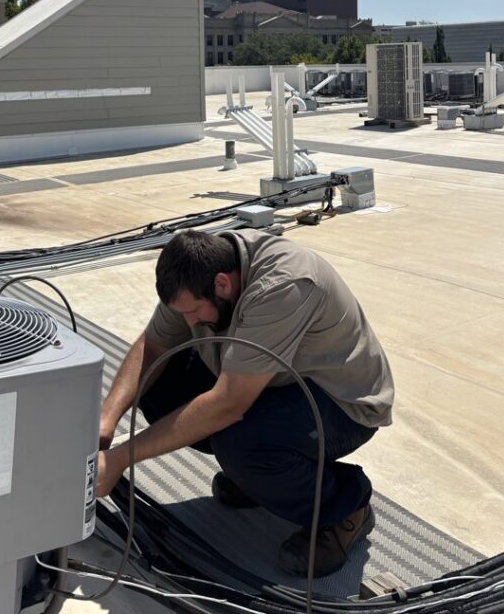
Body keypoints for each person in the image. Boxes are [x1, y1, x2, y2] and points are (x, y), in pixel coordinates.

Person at [96, 227, 394, 576]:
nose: (188, 321)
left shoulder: (284, 286)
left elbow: (228, 404)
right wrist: (106, 420)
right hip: (273, 384)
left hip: (341, 402)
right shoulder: (200, 271)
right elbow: (153, 346)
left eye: (192, 312)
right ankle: (260, 479)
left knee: (239, 444)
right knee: (160, 381)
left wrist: (118, 459)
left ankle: (345, 505)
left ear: (222, 285)